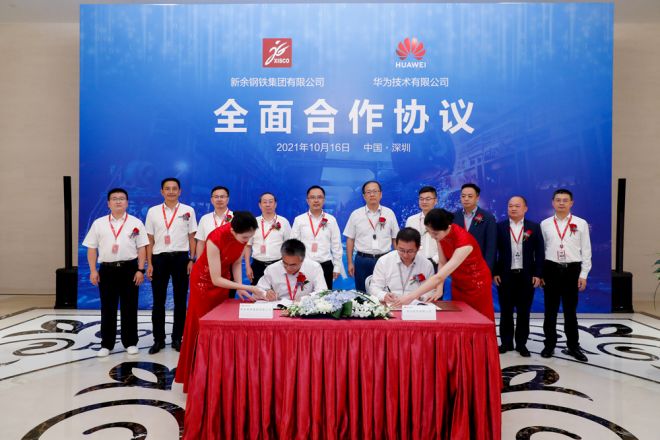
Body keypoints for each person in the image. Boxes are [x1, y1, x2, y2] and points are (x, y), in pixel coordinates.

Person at [175, 211, 265, 392]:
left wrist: (239, 287)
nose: (247, 240)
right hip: (204, 283)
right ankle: (197, 378)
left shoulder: (243, 235)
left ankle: (217, 372)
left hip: (224, 281)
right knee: (201, 327)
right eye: (245, 237)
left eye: (250, 237)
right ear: (233, 230)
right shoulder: (215, 239)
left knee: (219, 327)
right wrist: (248, 287)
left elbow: (236, 263)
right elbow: (215, 279)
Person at [393, 208, 495, 321]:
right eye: (428, 231)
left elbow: (439, 276)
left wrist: (410, 297)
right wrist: (439, 288)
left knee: (479, 319)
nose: (432, 236)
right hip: (458, 282)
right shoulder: (440, 236)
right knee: (461, 318)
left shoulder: (464, 243)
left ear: (448, 227)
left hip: (477, 284)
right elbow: (442, 262)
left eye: (435, 233)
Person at [83, 188, 148, 357]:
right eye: (114, 198)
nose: (118, 201)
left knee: (130, 307)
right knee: (107, 307)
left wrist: (140, 270)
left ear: (127, 202)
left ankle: (130, 342)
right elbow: (91, 248)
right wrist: (93, 270)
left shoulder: (136, 223)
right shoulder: (99, 223)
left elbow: (142, 248)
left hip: (129, 269)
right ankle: (107, 344)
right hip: (107, 270)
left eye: (121, 198)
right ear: (108, 203)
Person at [145, 177, 198, 354]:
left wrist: (192, 259)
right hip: (159, 259)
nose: (171, 192)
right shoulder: (153, 211)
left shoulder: (188, 210)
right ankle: (158, 340)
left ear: (180, 191)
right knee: (158, 301)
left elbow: (192, 237)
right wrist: (149, 263)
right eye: (167, 189)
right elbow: (149, 239)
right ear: (162, 192)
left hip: (181, 259)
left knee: (180, 301)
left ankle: (177, 338)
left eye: (174, 188)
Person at [540, 189, 592, 362]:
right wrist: (541, 273)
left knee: (570, 312)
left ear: (571, 203)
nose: (561, 203)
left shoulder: (581, 223)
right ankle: (549, 344)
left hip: (572, 270)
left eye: (565, 200)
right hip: (551, 269)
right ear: (552, 202)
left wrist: (583, 274)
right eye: (558, 200)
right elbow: (541, 251)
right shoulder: (545, 224)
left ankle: (573, 346)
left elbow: (586, 250)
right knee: (550, 311)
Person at [493, 196, 544, 357]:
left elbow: (540, 253)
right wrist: (495, 272)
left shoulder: (534, 227)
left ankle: (521, 344)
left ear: (525, 208)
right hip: (505, 276)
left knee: (524, 311)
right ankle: (506, 343)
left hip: (526, 276)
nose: (513, 208)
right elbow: (493, 252)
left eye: (517, 206)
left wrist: (538, 274)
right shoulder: (500, 227)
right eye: (510, 206)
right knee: (506, 311)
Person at [344, 180, 400, 292]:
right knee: (362, 293)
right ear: (364, 196)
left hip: (385, 259)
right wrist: (350, 263)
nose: (372, 194)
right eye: (368, 192)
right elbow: (350, 239)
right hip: (362, 260)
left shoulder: (389, 213)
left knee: (385, 292)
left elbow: (395, 238)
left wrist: (399, 260)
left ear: (381, 194)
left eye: (375, 191)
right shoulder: (356, 214)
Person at [290, 185, 343, 289]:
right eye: (312, 197)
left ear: (324, 200)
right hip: (304, 266)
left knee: (324, 297)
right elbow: (293, 245)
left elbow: (336, 245)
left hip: (325, 265)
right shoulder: (299, 220)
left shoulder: (331, 220)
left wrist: (337, 267)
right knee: (304, 295)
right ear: (307, 200)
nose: (316, 200)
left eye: (319, 197)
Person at [368, 228, 435, 303]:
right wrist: (384, 296)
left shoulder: (426, 265)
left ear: (418, 248)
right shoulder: (384, 261)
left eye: (410, 251)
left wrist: (420, 297)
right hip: (390, 304)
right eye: (401, 250)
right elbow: (374, 288)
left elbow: (431, 291)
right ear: (396, 245)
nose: (405, 255)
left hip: (416, 305)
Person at [244, 192, 292, 286]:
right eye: (265, 202)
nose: (268, 204)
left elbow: (289, 245)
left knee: (278, 293)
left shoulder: (283, 222)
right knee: (258, 293)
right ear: (260, 205)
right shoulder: (253, 222)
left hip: (278, 265)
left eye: (270, 202)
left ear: (275, 204)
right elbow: (248, 246)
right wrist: (247, 266)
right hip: (257, 266)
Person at [257, 239, 328, 301]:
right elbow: (258, 290)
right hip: (279, 307)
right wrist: (266, 293)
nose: (288, 268)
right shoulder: (272, 269)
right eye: (285, 263)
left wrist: (306, 298)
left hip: (304, 306)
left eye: (293, 265)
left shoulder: (314, 267)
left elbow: (322, 292)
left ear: (302, 260)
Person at [453, 183, 497, 272]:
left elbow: (491, 248)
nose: (466, 199)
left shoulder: (488, 218)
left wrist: (487, 270)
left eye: (470, 196)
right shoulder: (453, 217)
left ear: (477, 198)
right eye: (463, 196)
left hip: (479, 267)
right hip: (458, 267)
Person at [405, 186, 439, 270]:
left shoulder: (443, 220)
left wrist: (434, 260)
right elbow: (407, 242)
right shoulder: (411, 220)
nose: (424, 202)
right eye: (421, 199)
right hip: (415, 263)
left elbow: (447, 245)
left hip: (437, 264)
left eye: (428, 199)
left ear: (435, 201)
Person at [195, 185, 233, 257]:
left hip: (229, 259)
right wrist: (198, 261)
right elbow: (201, 243)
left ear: (228, 199)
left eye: (222, 197)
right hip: (208, 259)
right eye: (216, 197)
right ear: (212, 200)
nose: (219, 199)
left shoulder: (235, 218)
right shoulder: (204, 219)